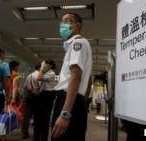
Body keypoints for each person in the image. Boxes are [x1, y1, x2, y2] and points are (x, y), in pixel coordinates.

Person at [51, 13, 93, 141]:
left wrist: (65, 114)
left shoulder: (77, 43)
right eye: (62, 21)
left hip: (68, 101)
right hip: (75, 101)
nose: (63, 24)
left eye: (68, 21)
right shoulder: (81, 44)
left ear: (77, 26)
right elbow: (89, 78)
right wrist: (81, 103)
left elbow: (75, 77)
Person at [31, 59, 56, 141]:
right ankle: (36, 137)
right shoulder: (45, 72)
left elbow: (39, 77)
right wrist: (43, 69)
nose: (45, 66)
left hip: (48, 95)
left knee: (45, 119)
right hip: (42, 95)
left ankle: (43, 138)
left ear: (51, 65)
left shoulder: (52, 73)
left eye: (46, 64)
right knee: (38, 118)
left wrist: (42, 68)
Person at [21, 64, 41, 139]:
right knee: (37, 116)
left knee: (26, 116)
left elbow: (25, 87)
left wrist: (24, 97)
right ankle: (36, 133)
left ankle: (24, 133)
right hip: (37, 97)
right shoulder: (40, 75)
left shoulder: (30, 75)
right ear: (39, 68)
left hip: (29, 96)